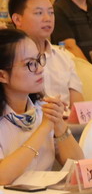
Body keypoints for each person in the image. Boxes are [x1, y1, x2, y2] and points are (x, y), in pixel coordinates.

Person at [0, 29, 83, 185]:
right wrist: (44, 128)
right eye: (30, 64)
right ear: (2, 75)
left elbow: (78, 165)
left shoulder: (41, 109)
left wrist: (58, 123)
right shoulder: (42, 119)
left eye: (39, 60)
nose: (40, 69)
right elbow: (2, 177)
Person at [8, 0, 83, 105]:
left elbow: (78, 105)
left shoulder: (65, 57)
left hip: (64, 116)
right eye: (39, 13)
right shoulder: (9, 58)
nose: (47, 19)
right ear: (17, 19)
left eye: (51, 12)